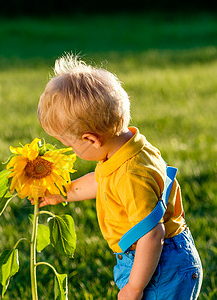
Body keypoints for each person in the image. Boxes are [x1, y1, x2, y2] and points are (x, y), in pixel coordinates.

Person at [35, 53, 203, 299]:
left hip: (161, 266)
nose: (70, 150)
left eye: (69, 145)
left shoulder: (132, 174)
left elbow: (152, 234)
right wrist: (64, 192)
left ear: (91, 139)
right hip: (155, 259)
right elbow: (101, 180)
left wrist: (134, 287)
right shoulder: (125, 150)